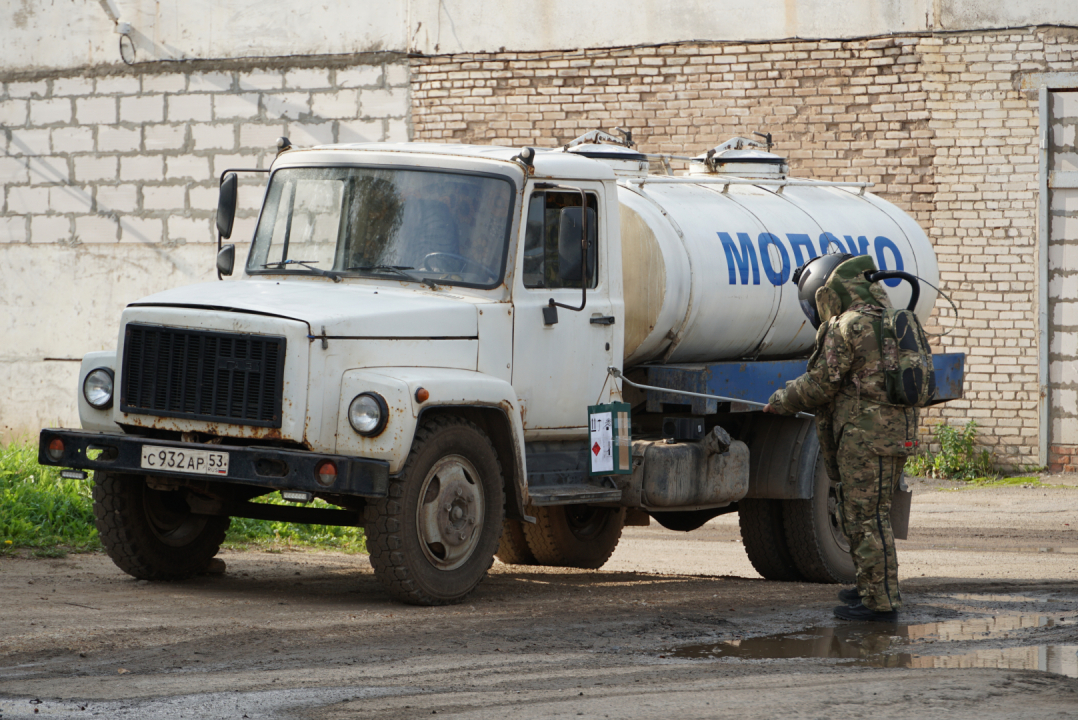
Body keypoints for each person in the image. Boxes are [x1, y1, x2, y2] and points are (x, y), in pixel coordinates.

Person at [763, 253, 918, 622]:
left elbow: (820, 384)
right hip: (892, 434)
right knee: (867, 514)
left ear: (829, 292)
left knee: (866, 517)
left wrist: (781, 401)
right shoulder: (887, 321)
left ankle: (879, 603)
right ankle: (871, 589)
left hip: (865, 437)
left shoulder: (847, 326)